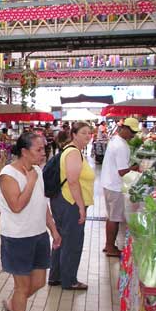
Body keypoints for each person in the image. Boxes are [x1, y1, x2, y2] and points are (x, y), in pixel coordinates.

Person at [0, 132, 61, 311]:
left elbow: (41, 204)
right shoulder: (8, 175)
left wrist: (53, 229)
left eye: (44, 149)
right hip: (17, 237)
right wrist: (31, 182)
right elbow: (16, 206)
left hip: (38, 235)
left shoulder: (37, 170)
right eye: (39, 150)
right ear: (24, 151)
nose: (43, 153)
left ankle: (12, 305)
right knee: (22, 287)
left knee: (38, 282)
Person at [49, 122, 95, 290]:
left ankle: (56, 276)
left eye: (90, 133)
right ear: (74, 134)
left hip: (63, 200)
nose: (88, 136)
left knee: (61, 237)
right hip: (70, 202)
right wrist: (81, 207)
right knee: (72, 242)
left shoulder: (70, 150)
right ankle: (69, 280)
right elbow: (73, 181)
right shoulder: (74, 152)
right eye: (83, 133)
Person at [101, 118, 140, 257]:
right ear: (123, 128)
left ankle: (108, 245)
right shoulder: (121, 146)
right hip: (115, 186)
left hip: (109, 183)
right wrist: (136, 168)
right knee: (114, 218)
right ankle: (111, 247)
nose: (133, 135)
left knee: (111, 216)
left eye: (135, 132)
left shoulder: (116, 140)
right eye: (131, 131)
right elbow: (122, 172)